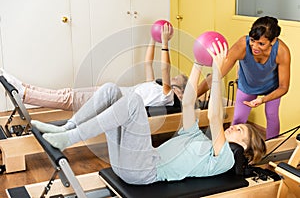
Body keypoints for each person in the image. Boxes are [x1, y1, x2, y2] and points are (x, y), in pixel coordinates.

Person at [30, 41, 266, 185]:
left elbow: (215, 117)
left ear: (246, 148)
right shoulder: (195, 137)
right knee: (111, 90)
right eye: (240, 125)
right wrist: (197, 63)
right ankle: (66, 128)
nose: (235, 127)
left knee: (132, 101)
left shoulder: (224, 158)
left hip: (144, 171)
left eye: (242, 132)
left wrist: (217, 71)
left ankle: (69, 139)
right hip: (130, 162)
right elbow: (188, 102)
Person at [0, 23, 188, 111]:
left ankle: (24, 94)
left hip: (111, 101)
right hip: (109, 92)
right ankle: (24, 87)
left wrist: (164, 42)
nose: (171, 79)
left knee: (67, 99)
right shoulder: (154, 87)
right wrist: (153, 39)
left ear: (179, 90)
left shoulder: (167, 95)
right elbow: (149, 63)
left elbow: (165, 68)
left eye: (175, 80)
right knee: (67, 93)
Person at [197, 16, 291, 140]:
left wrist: (263, 100)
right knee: (238, 119)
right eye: (252, 40)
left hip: (272, 88)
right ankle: (230, 149)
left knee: (272, 116)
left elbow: (284, 87)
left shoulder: (282, 52)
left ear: (273, 41)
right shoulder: (242, 45)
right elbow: (217, 74)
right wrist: (194, 94)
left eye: (261, 44)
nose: (255, 47)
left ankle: (271, 150)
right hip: (247, 86)